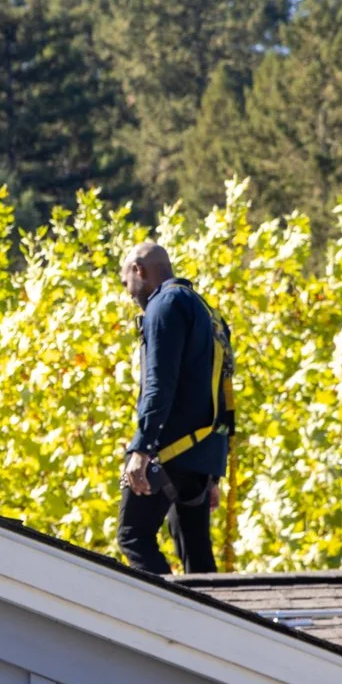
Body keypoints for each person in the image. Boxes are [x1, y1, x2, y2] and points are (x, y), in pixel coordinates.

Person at [119, 242, 227, 575]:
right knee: (194, 551)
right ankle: (214, 622)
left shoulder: (163, 306)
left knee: (133, 536)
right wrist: (212, 470)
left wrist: (142, 447)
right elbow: (221, 390)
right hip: (200, 452)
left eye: (126, 283)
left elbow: (158, 384)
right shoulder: (204, 310)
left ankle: (169, 613)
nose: (128, 294)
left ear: (139, 270)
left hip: (170, 450)